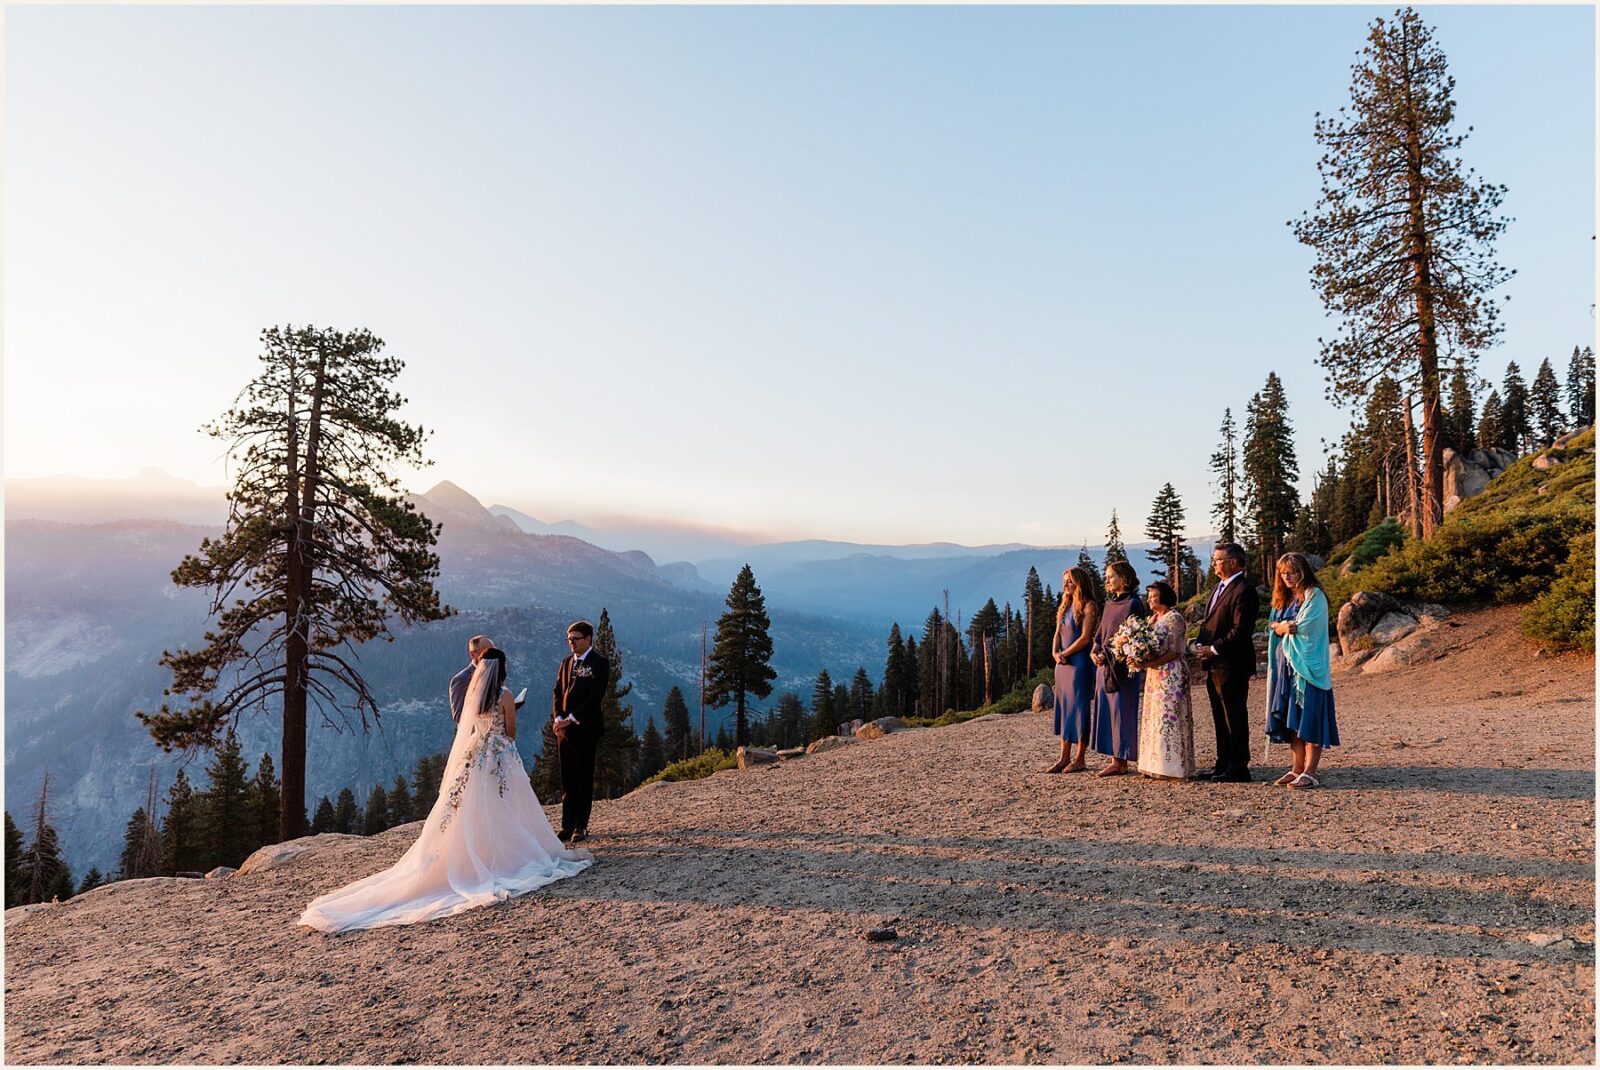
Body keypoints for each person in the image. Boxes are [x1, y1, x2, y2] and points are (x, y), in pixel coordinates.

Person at [298, 643, 591, 934]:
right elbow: (511, 733)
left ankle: (477, 854)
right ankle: (506, 855)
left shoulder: (474, 696)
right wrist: (510, 714)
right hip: (500, 755)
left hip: (474, 754)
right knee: (506, 804)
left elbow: (471, 725)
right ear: (501, 670)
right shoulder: (505, 695)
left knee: (472, 806)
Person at [1266, 552, 1340, 788]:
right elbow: (1273, 626)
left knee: (1310, 715)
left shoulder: (1314, 596)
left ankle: (1311, 770)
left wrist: (1281, 627)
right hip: (1286, 667)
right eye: (1284, 573)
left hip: (1307, 668)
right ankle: (1296, 767)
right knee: (1293, 719)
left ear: (1304, 571)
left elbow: (1302, 627)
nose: (1288, 577)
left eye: (1293, 572)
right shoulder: (1285, 600)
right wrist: (1279, 627)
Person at [1193, 542, 1260, 782]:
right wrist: (1200, 644)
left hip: (1232, 664)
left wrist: (1213, 648)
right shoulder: (1218, 588)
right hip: (1215, 665)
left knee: (1234, 715)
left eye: (1217, 560)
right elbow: (1211, 622)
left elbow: (1241, 629)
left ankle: (1239, 767)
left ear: (1232, 562)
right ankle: (1222, 763)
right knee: (1219, 715)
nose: (1213, 564)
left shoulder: (1244, 590)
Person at [551, 620, 610, 845]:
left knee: (583, 777)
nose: (571, 644)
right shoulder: (566, 662)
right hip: (564, 731)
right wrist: (558, 718)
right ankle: (567, 825)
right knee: (568, 778)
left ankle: (581, 825)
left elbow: (595, 697)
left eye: (575, 639)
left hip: (586, 729)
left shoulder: (599, 663)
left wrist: (571, 720)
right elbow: (557, 691)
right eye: (569, 640)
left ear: (588, 639)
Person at [1131, 581, 1196, 780]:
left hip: (1171, 673)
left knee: (1169, 715)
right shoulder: (1152, 620)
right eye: (1149, 597)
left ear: (1164, 596)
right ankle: (1154, 762)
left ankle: (1172, 766)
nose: (1150, 600)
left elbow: (1176, 651)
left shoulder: (1174, 618)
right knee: (1155, 716)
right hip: (1154, 674)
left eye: (1154, 596)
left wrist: (1150, 663)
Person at [1088, 559, 1147, 777]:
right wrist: (1094, 651)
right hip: (1103, 666)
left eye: (1110, 576)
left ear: (1123, 579)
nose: (1107, 580)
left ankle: (1121, 761)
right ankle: (1114, 757)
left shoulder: (1133, 604)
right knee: (1107, 712)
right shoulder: (1110, 603)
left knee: (1121, 711)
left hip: (1121, 668)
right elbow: (1100, 632)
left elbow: (1132, 637)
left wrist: (1109, 653)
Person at [1045, 566, 1099, 774]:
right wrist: (1054, 653)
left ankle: (1080, 758)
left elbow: (1086, 638)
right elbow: (1057, 632)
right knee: (1064, 708)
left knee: (1079, 709)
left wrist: (1065, 653)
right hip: (1063, 664)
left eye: (1070, 581)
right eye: (1064, 580)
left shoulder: (1088, 606)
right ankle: (1063, 757)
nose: (1065, 584)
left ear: (1079, 583)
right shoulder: (1065, 605)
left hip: (1079, 664)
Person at [448, 634, 493, 723]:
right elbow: (458, 715)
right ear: (473, 654)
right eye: (486, 652)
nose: (491, 655)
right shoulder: (461, 679)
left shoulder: (494, 673)